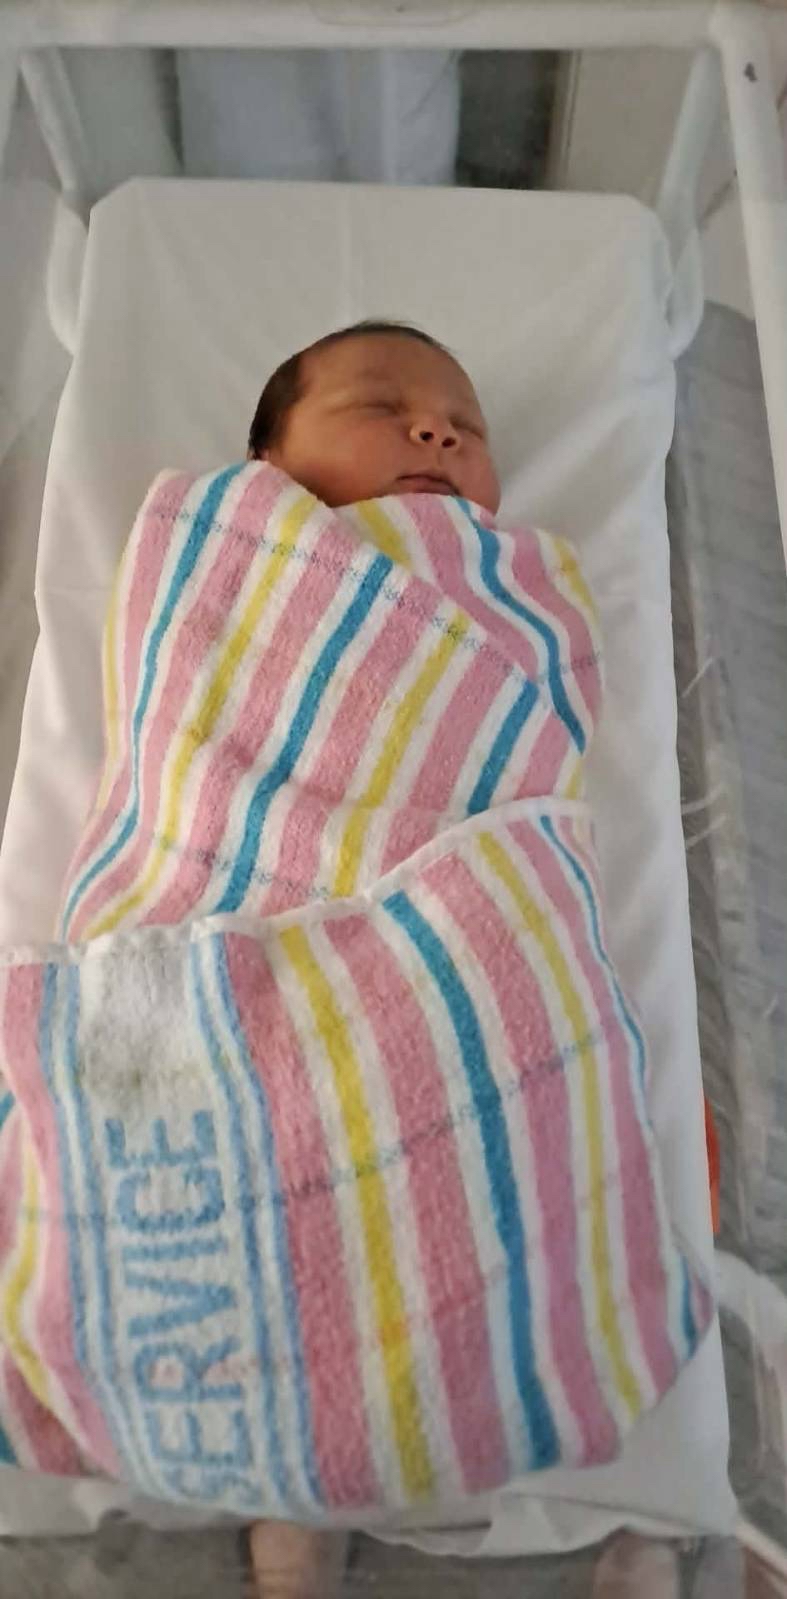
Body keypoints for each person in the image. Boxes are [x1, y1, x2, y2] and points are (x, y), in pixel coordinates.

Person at [245, 318, 497, 1598]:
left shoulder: (511, 588)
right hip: (268, 901)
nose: (438, 428)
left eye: (463, 420)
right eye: (381, 403)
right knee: (281, 1135)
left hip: (451, 910)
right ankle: (302, 1495)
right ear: (266, 465)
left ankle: (616, 1520)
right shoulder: (233, 560)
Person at [247, 319, 501, 516]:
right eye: (379, 406)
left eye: (467, 427)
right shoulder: (236, 534)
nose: (443, 431)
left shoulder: (520, 559)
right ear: (263, 461)